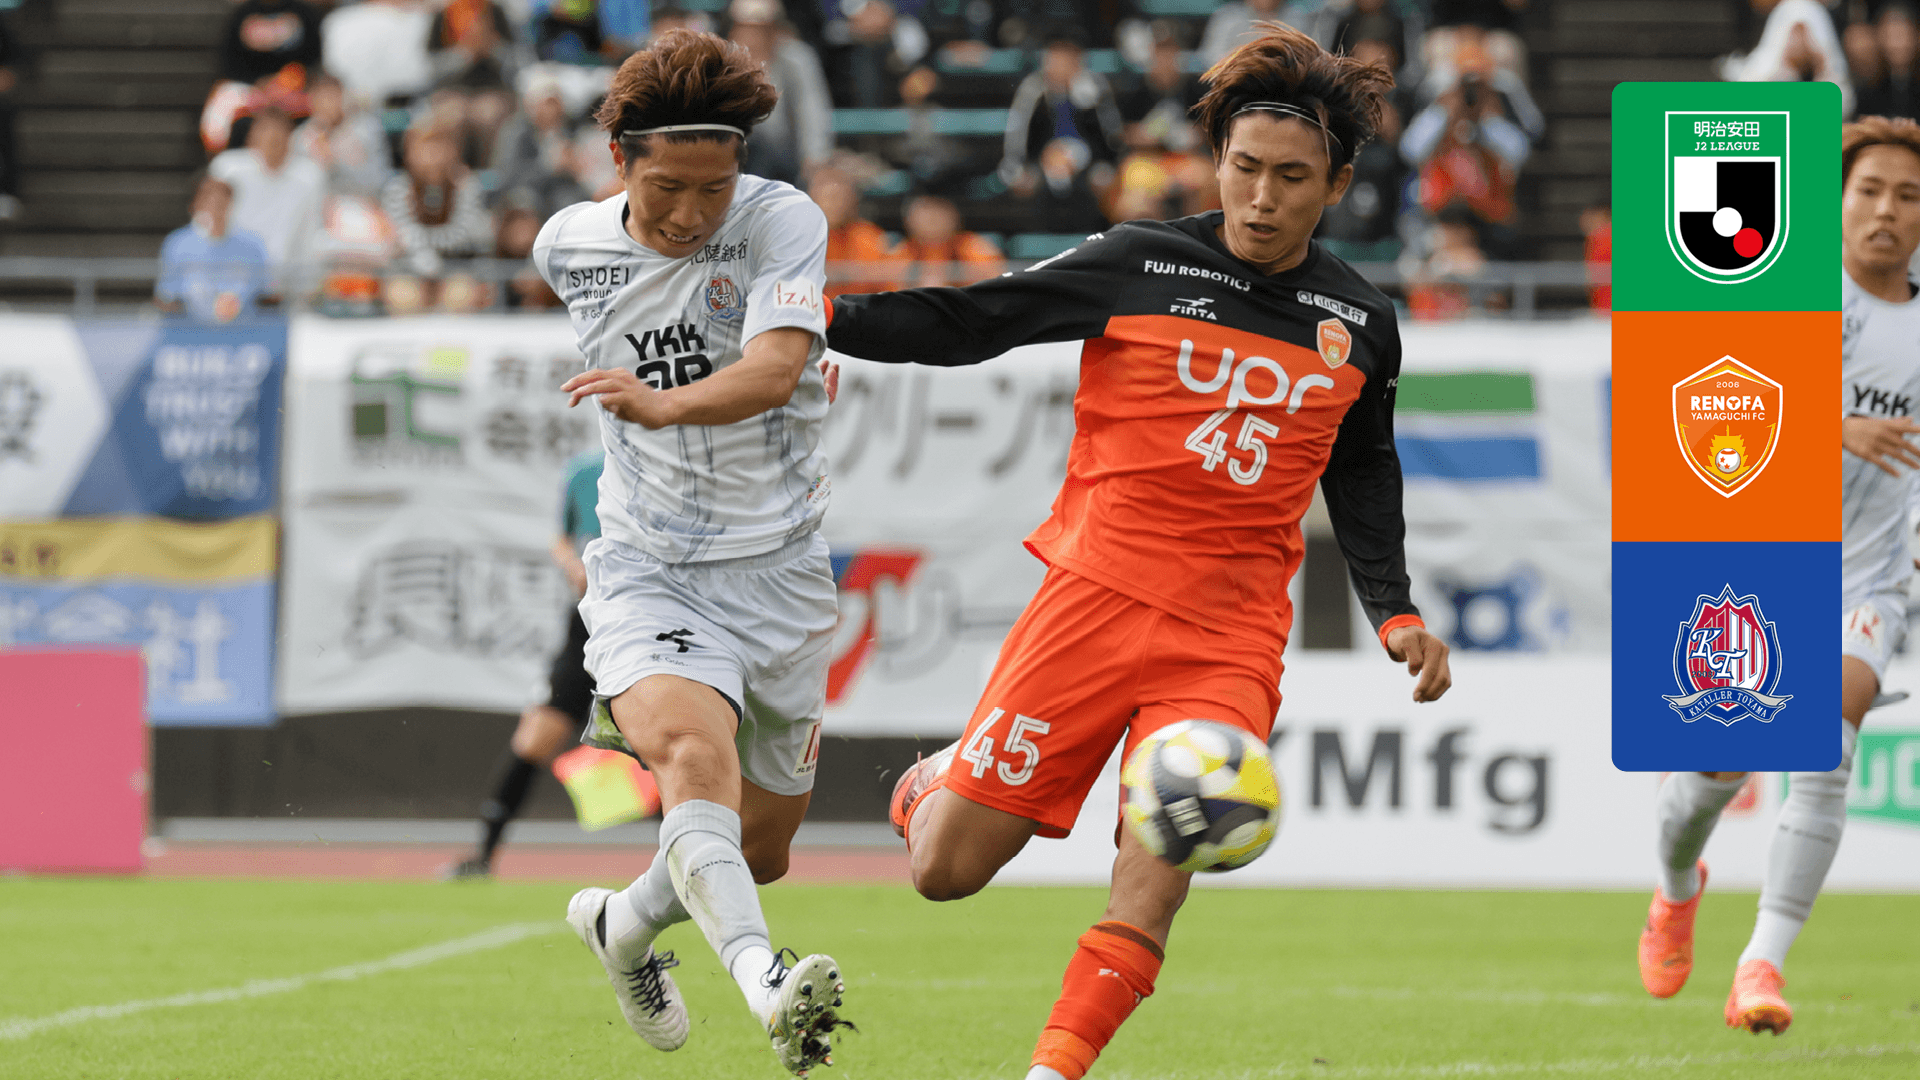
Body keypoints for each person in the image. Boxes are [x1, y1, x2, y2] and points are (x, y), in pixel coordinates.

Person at [827, 25, 1452, 1080]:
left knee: (1155, 880)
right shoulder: (1141, 261)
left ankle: (1050, 1074)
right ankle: (942, 773)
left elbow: (1362, 468)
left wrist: (1395, 611)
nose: (1261, 197)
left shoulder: (1361, 319)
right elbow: (974, 321)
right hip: (1092, 603)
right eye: (1244, 168)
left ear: (1338, 184)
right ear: (1216, 160)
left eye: (1291, 178)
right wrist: (820, 317)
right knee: (944, 870)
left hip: (1228, 639)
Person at [538, 28, 851, 1075]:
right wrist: (652, 417)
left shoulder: (780, 220)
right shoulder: (566, 247)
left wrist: (663, 403)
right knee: (690, 758)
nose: (690, 212)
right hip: (649, 565)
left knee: (760, 849)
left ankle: (621, 927)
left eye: (713, 187)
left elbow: (773, 370)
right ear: (619, 160)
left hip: (783, 572)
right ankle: (769, 986)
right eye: (667, 186)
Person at [1636, 115, 1920, 1035]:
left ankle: (1760, 965)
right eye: (1869, 190)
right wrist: (1836, 426)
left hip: (1872, 575)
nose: (1887, 210)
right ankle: (1677, 886)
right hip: (1757, 561)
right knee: (1715, 771)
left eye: (1908, 195)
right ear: (1835, 203)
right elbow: (1699, 401)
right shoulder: (1778, 293)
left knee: (1826, 744)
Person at [446, 450, 622, 877]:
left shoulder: (665, 463)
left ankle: (692, 860)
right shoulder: (584, 471)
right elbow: (561, 538)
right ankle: (483, 855)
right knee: (535, 739)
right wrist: (572, 564)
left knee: (657, 745)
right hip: (587, 624)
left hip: (643, 621)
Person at [209, 105, 326, 296]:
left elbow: (311, 232)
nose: (272, 137)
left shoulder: (310, 176)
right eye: (265, 130)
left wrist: (308, 286)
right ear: (252, 136)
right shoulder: (228, 169)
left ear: (291, 137)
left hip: (287, 284)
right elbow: (209, 221)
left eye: (279, 130)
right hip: (233, 280)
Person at [155, 175, 274, 324]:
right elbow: (166, 296)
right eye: (209, 201)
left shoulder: (253, 245)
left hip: (244, 329)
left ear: (231, 203)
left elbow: (268, 293)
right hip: (193, 330)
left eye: (222, 201)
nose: (216, 208)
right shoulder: (177, 244)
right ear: (197, 204)